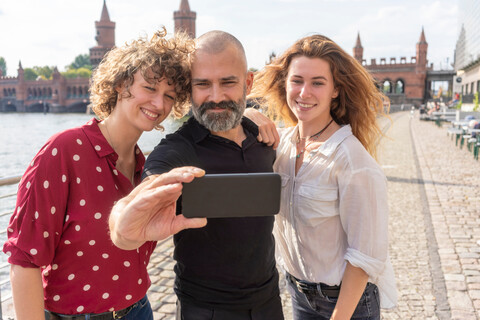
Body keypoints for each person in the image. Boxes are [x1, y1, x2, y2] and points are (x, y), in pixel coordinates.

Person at [2, 29, 206, 320]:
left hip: (139, 310)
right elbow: (25, 260)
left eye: (169, 96)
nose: (159, 104)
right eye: (149, 88)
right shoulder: (64, 150)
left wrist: (250, 117)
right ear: (121, 83)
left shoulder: (144, 167)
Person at [109, 30, 284, 320]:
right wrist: (124, 225)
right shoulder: (178, 148)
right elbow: (148, 187)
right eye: (202, 84)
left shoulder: (262, 137)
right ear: (189, 89)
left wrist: (254, 115)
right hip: (205, 310)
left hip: (269, 301)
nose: (216, 97)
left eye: (228, 82)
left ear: (248, 83)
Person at [248, 34, 397, 319]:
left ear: (336, 90)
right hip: (299, 295)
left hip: (346, 305)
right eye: (297, 81)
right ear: (285, 84)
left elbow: (364, 257)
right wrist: (247, 114)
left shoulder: (352, 161)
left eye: (317, 82)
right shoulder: (282, 145)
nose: (304, 93)